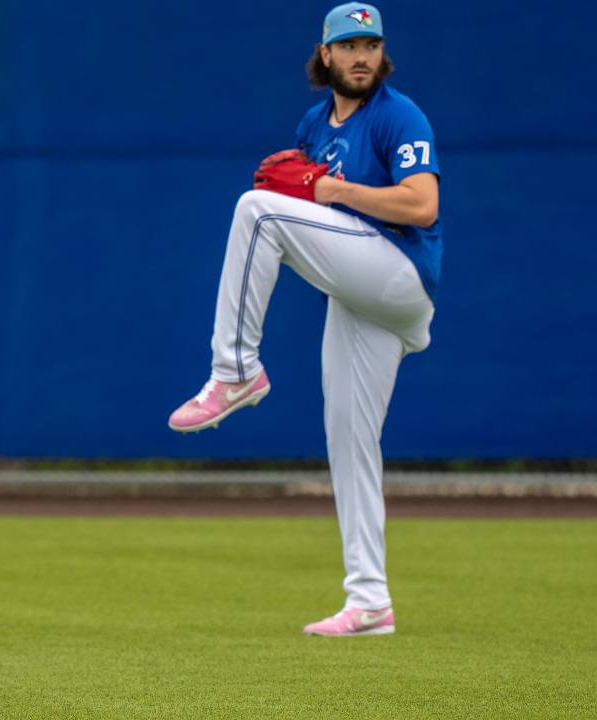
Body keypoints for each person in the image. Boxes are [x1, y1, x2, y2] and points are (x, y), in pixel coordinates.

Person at [168, 3, 441, 637]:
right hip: (357, 296)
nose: (361, 56)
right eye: (348, 45)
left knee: (256, 210)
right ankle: (369, 601)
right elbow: (310, 214)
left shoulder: (398, 115)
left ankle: (234, 370)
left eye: (370, 44)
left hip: (401, 273)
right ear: (326, 55)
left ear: (382, 53)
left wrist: (332, 190)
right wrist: (310, 196)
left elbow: (422, 206)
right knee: (349, 439)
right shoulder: (314, 126)